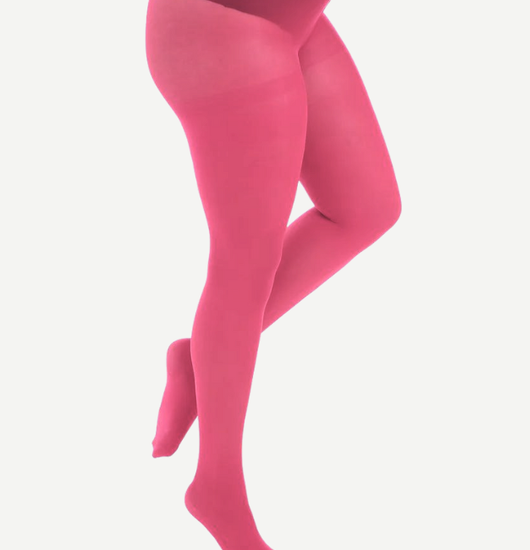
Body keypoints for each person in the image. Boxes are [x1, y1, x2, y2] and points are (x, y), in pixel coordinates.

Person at [145, 1, 402, 549]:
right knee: (244, 264)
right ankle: (215, 485)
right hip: (222, 28)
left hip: (291, 23)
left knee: (366, 207)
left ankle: (199, 359)